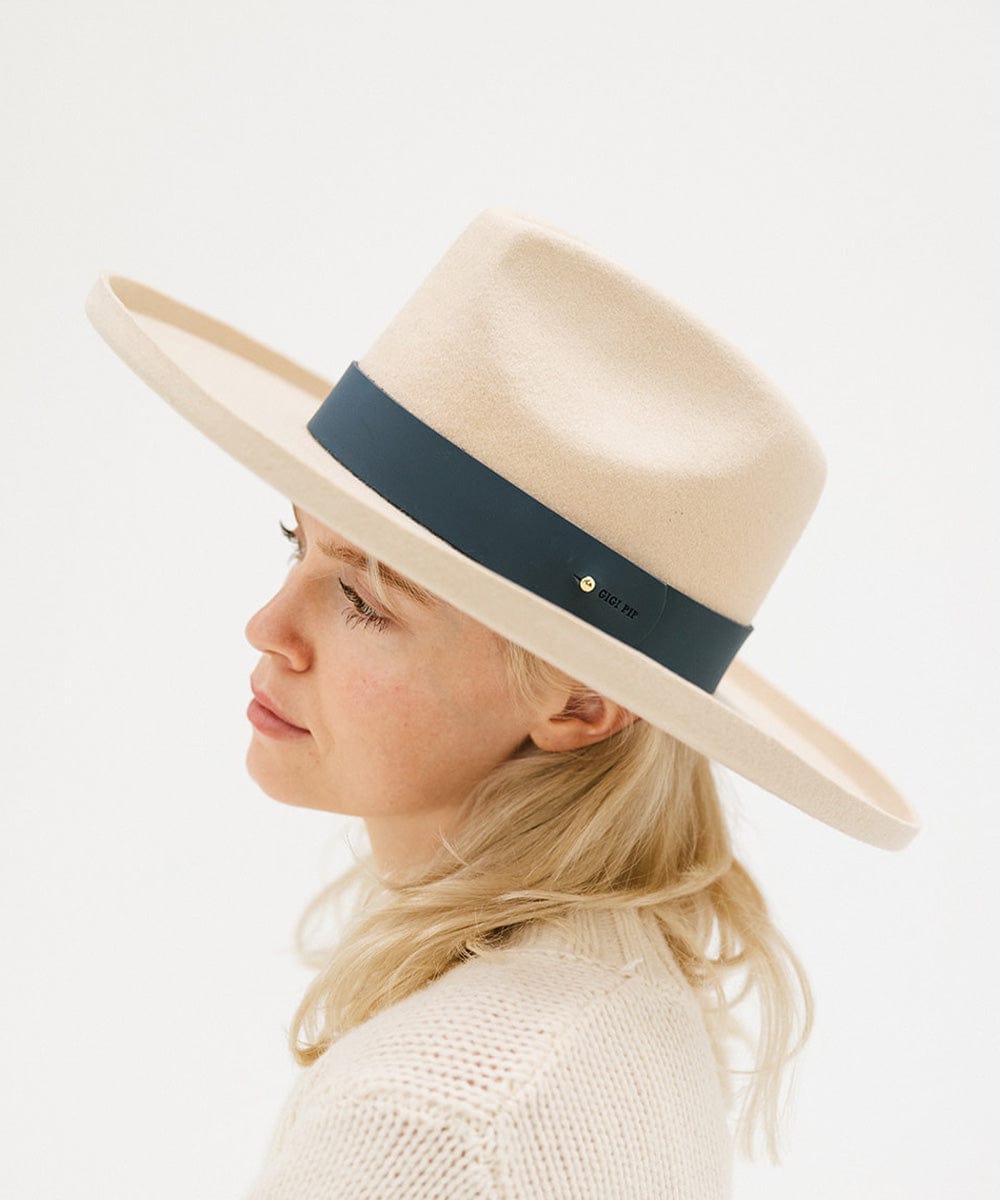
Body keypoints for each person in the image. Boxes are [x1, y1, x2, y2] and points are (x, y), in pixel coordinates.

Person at [85, 207, 921, 1199]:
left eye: (362, 597)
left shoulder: (432, 1119)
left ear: (578, 702)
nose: (269, 626)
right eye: (294, 545)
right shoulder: (615, 993)